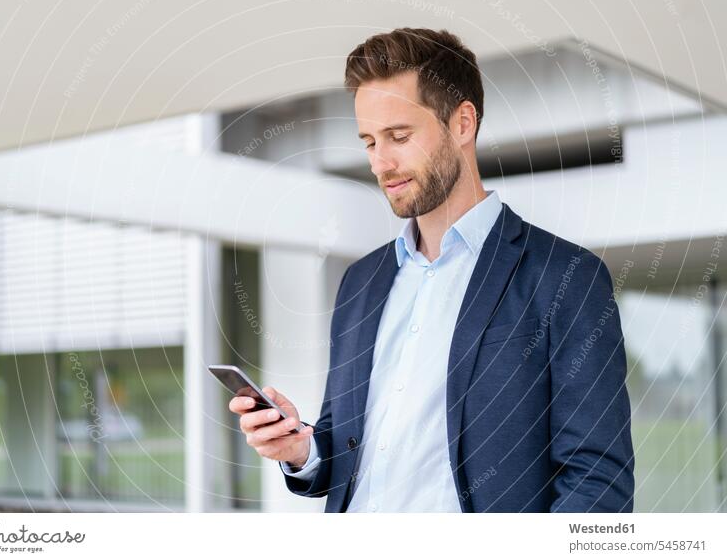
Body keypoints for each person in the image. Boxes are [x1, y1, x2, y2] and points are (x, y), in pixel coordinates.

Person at [229, 27, 634, 513]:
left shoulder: (565, 277)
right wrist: (300, 449)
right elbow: (352, 450)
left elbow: (597, 482)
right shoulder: (360, 283)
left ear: (463, 123)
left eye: (399, 136)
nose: (382, 163)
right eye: (369, 142)